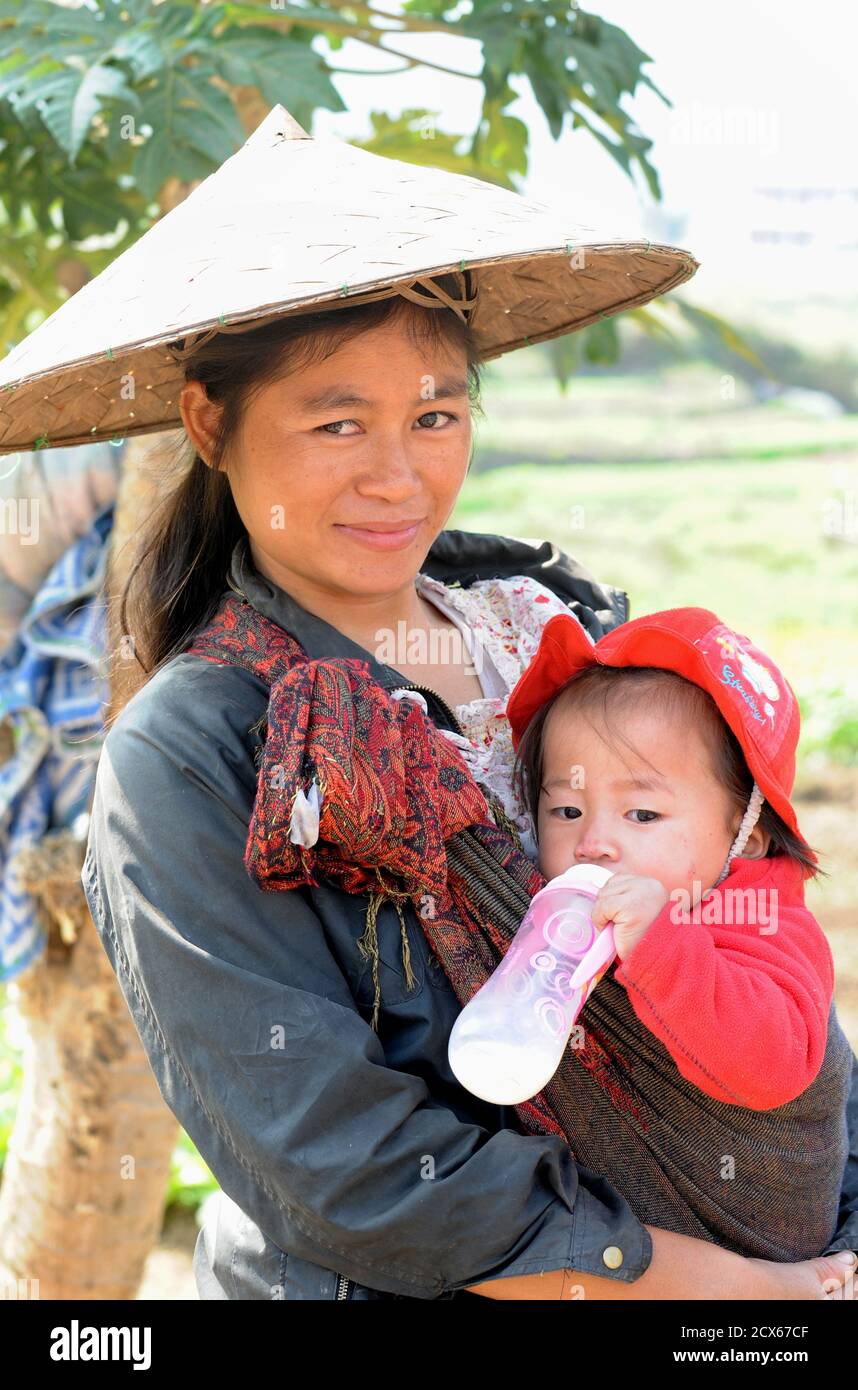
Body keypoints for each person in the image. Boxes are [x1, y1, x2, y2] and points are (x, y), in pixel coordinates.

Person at [0, 105, 854, 1299]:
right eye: (336, 420)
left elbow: (757, 926)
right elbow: (336, 1158)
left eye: (436, 415)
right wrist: (705, 1284)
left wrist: (822, 1203)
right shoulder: (194, 756)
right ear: (209, 421)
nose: (399, 475)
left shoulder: (559, 636)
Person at [504, 606, 853, 1261]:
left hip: (743, 1230)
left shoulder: (766, 921)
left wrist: (662, 947)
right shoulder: (563, 903)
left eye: (643, 813)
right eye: (567, 809)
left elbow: (769, 1065)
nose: (594, 842)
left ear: (745, 835)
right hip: (616, 1236)